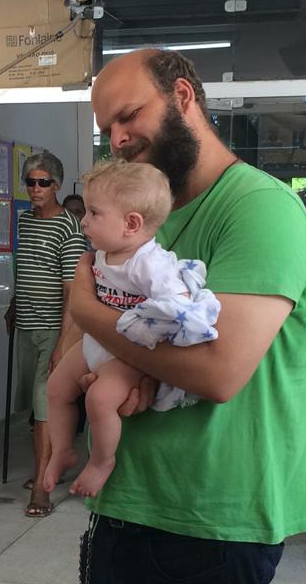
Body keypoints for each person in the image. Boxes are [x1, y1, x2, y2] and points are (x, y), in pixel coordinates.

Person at [75, 48, 306, 584]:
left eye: (129, 116)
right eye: (107, 128)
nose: (118, 139)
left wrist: (85, 311)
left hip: (211, 518)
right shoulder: (139, 215)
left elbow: (217, 371)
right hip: (124, 503)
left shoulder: (259, 207)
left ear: (182, 97)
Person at [42, 159, 219, 498]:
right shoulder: (102, 254)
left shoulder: (149, 263)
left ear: (131, 223)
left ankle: (101, 462)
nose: (84, 220)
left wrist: (152, 326)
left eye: (94, 213)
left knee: (99, 400)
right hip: (97, 341)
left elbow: (179, 307)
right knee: (56, 387)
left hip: (127, 353)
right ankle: (62, 450)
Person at [6, 151, 87, 517]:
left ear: (57, 185)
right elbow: (24, 269)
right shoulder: (24, 221)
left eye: (43, 182)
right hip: (26, 325)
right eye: (30, 182)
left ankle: (42, 486)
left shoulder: (69, 228)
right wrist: (13, 305)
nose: (35, 188)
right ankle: (47, 466)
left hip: (55, 329)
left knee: (44, 407)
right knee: (33, 407)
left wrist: (63, 344)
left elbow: (72, 292)